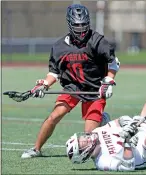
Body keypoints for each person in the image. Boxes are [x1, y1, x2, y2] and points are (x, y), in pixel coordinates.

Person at [21, 4, 120, 159]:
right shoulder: (59, 47)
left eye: (83, 25)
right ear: (69, 24)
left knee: (89, 137)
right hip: (72, 87)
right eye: (76, 25)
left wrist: (108, 80)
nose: (80, 29)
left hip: (94, 89)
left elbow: (114, 63)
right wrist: (44, 84)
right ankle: (36, 149)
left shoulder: (97, 41)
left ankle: (102, 121)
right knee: (54, 116)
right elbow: (54, 73)